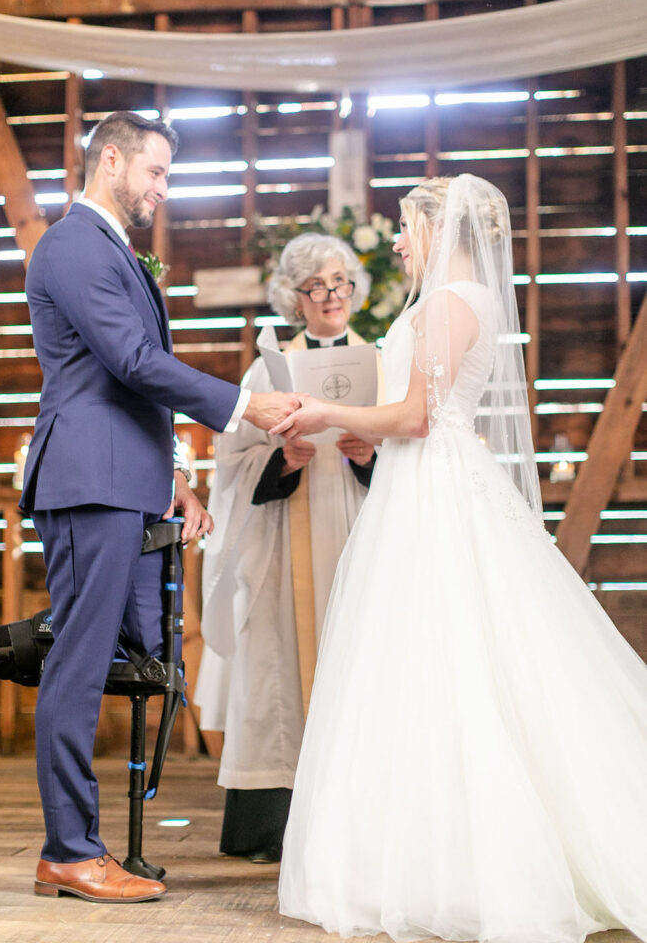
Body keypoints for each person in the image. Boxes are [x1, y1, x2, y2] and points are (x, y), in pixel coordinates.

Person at [274, 175, 647, 943]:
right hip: (430, 479)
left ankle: (461, 864)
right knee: (438, 658)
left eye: (407, 228)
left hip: (432, 493)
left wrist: (327, 412)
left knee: (442, 658)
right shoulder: (462, 299)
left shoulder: (448, 302)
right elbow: (419, 413)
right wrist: (367, 432)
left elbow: (416, 414)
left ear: (438, 230)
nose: (401, 242)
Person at [20, 110, 299, 904]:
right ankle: (68, 851)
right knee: (75, 666)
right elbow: (133, 361)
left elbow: (122, 381)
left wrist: (172, 479)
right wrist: (245, 405)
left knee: (139, 659)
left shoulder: (108, 248)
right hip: (88, 480)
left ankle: (100, 845)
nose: (163, 190)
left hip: (123, 478)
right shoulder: (74, 243)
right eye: (157, 173)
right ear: (112, 160)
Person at [197, 233, 379, 863]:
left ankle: (359, 826)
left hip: (360, 530)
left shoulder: (381, 362)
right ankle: (272, 827)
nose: (331, 297)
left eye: (341, 283)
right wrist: (283, 456)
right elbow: (231, 460)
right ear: (294, 299)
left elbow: (418, 451)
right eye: (317, 287)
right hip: (284, 534)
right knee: (279, 663)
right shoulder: (266, 369)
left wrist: (371, 454)